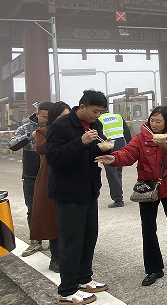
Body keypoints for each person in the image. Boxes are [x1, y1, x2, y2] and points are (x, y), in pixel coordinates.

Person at [96, 106, 167, 286]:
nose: (153, 124)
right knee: (148, 228)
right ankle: (154, 268)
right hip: (147, 187)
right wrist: (114, 158)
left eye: (158, 121)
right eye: (152, 120)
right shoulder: (142, 137)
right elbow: (129, 152)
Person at [46, 90, 110, 305]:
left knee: (89, 236)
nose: (97, 116)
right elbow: (53, 157)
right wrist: (80, 142)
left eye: (101, 112)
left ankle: (84, 278)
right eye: (95, 111)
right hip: (67, 192)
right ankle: (67, 290)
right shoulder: (61, 126)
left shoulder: (95, 125)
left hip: (88, 189)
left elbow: (91, 155)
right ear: (82, 106)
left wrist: (104, 149)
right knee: (71, 241)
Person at [31, 101, 71, 273]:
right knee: (52, 219)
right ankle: (56, 257)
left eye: (67, 116)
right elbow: (40, 148)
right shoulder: (43, 132)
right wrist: (57, 133)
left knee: (69, 220)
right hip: (49, 178)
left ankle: (71, 255)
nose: (64, 119)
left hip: (71, 179)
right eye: (61, 116)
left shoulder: (75, 130)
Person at [8, 101, 51, 257]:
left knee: (54, 208)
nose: (46, 120)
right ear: (37, 114)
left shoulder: (56, 127)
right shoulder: (26, 128)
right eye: (44, 117)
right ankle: (35, 241)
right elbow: (12, 144)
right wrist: (31, 136)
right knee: (33, 209)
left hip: (51, 175)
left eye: (50, 117)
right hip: (31, 175)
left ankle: (55, 241)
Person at [98, 112, 132, 208]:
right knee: (118, 172)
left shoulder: (98, 119)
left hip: (108, 146)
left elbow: (98, 136)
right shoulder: (118, 116)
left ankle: (118, 199)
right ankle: (119, 195)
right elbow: (127, 132)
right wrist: (130, 147)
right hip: (120, 146)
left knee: (112, 174)